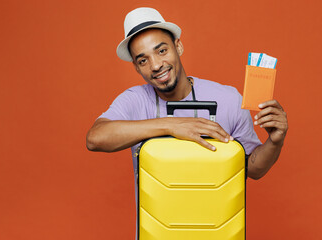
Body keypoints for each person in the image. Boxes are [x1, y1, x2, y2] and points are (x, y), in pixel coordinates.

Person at [87, 7, 288, 182]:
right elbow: (95, 138)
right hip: (157, 225)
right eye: (143, 61)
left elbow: (252, 169)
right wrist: (171, 124)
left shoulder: (228, 99)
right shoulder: (135, 100)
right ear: (137, 68)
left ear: (178, 46)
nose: (156, 65)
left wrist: (275, 142)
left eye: (162, 51)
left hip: (218, 224)